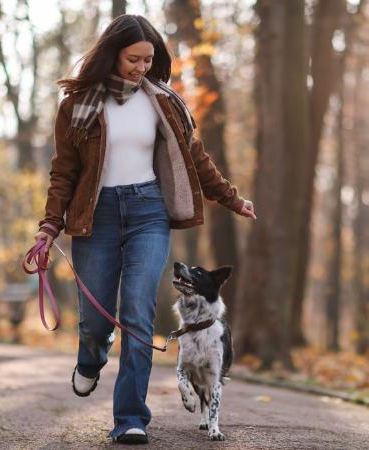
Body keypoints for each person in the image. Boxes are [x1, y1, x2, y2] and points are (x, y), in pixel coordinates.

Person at [33, 14, 255, 445]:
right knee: (96, 323)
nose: (141, 67)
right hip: (94, 217)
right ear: (112, 54)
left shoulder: (164, 102)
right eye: (133, 59)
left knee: (137, 311)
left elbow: (196, 159)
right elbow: (64, 173)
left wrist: (231, 198)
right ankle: (91, 359)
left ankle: (130, 418)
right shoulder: (77, 106)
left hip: (148, 212)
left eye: (148, 59)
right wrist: (48, 227)